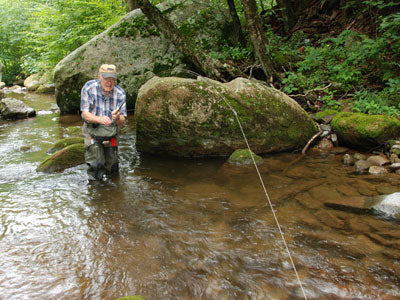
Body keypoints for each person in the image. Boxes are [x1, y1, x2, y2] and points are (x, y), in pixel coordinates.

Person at [80, 64, 127, 181]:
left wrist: (116, 118)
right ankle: (96, 195)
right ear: (99, 77)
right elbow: (84, 114)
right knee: (96, 165)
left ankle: (113, 192)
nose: (109, 83)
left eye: (112, 79)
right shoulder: (89, 88)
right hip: (92, 128)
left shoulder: (120, 93)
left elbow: (122, 121)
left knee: (113, 166)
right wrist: (99, 119)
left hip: (111, 131)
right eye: (106, 79)